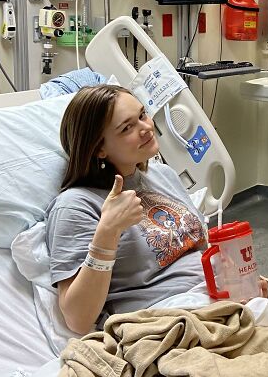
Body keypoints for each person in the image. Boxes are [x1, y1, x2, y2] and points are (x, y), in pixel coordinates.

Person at [47, 84, 213, 335]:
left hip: (215, 299)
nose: (146, 127)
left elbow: (203, 249)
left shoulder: (163, 175)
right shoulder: (77, 205)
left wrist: (238, 279)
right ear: (98, 148)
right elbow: (77, 319)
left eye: (142, 115)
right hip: (163, 323)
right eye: (127, 127)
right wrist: (108, 233)